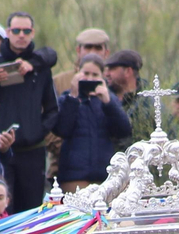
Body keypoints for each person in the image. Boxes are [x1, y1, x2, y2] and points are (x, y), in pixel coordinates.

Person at [0, 12, 60, 213]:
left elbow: (52, 109)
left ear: (32, 33)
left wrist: (37, 131)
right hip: (2, 151)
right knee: (3, 210)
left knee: (32, 210)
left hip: (33, 151)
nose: (21, 35)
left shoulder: (40, 65)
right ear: (8, 32)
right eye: (16, 30)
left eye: (26, 31)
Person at [52, 54, 131, 192]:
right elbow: (62, 130)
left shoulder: (108, 99)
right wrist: (74, 97)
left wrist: (108, 102)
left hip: (104, 176)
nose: (89, 78)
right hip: (74, 177)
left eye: (95, 74)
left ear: (102, 77)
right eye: (85, 73)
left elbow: (124, 131)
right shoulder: (66, 98)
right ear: (77, 72)